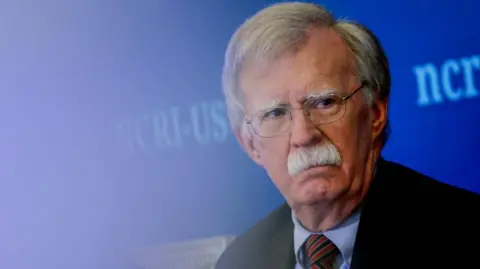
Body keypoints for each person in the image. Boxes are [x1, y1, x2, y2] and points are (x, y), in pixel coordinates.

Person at [214, 2, 480, 269]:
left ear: (375, 113)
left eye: (324, 102)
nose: (303, 136)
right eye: (274, 114)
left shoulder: (462, 234)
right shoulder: (239, 261)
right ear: (250, 145)